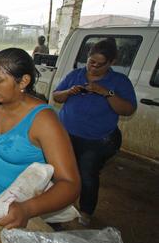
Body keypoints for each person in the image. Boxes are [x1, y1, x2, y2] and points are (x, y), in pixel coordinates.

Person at [0, 48, 80, 233]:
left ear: (24, 81)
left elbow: (70, 184)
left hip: (17, 204)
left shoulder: (43, 121)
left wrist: (27, 209)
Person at [52, 39, 136, 226]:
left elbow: (128, 110)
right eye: (91, 62)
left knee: (87, 173)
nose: (93, 67)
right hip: (67, 135)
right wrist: (68, 92)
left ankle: (86, 211)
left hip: (96, 140)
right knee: (62, 170)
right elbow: (56, 96)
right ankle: (60, 205)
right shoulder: (76, 74)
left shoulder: (119, 81)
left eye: (100, 64)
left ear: (112, 62)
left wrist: (106, 93)